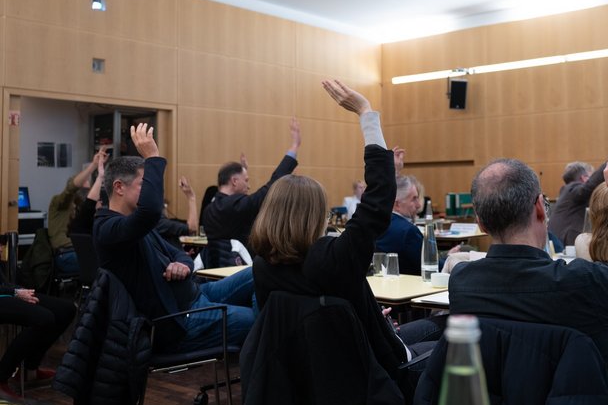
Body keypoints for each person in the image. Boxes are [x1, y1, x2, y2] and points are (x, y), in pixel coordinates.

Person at [449, 144, 608, 404]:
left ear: (480, 222)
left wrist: (593, 330)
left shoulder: (462, 281)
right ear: (540, 209)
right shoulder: (581, 281)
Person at [251, 80, 443, 380]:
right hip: (378, 367)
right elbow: (378, 200)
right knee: (454, 333)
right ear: (316, 215)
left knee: (437, 324)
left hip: (322, 372)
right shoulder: (333, 257)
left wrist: (359, 314)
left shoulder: (262, 266)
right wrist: (366, 113)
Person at [93, 123, 255, 352]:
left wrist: (182, 265)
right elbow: (150, 212)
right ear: (119, 188)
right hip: (180, 320)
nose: (150, 190)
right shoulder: (108, 228)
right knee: (262, 319)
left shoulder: (137, 227)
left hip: (197, 294)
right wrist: (153, 158)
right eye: (143, 184)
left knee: (261, 271)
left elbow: (180, 255)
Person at [200, 120, 301, 267]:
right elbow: (271, 187)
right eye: (246, 180)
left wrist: (244, 170)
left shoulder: (211, 208)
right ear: (234, 181)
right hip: (240, 270)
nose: (249, 185)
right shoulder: (233, 207)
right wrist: (294, 147)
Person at [0, 268, 76, 400]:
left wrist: (18, 291)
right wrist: (15, 292)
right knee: (43, 319)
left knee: (66, 309)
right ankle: (1, 377)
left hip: (5, 291)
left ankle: (29, 370)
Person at [548, 131, 608, 246]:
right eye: (590, 176)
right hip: (565, 244)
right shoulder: (572, 189)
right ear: (584, 178)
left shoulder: (566, 192)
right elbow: (590, 186)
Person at [48, 148, 107, 274]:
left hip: (80, 251)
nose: (87, 191)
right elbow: (72, 188)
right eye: (83, 186)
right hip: (66, 255)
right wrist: (94, 165)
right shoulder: (59, 203)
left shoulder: (84, 208)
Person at [374, 175, 423, 275]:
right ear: (397, 204)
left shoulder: (375, 224)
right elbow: (431, 266)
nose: (419, 205)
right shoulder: (409, 232)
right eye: (414, 199)